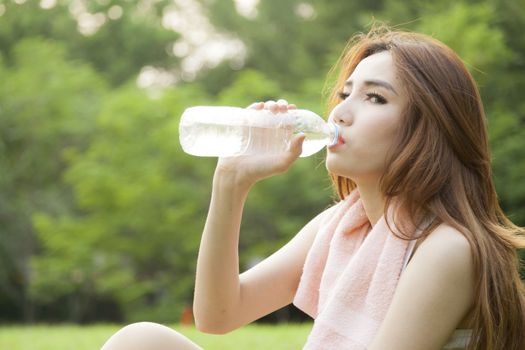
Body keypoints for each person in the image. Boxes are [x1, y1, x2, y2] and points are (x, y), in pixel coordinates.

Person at [101, 27, 525, 350]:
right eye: (345, 93)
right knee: (140, 341)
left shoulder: (447, 247)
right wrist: (230, 183)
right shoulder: (344, 227)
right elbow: (217, 314)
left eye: (375, 98)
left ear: (430, 127)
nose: (340, 112)